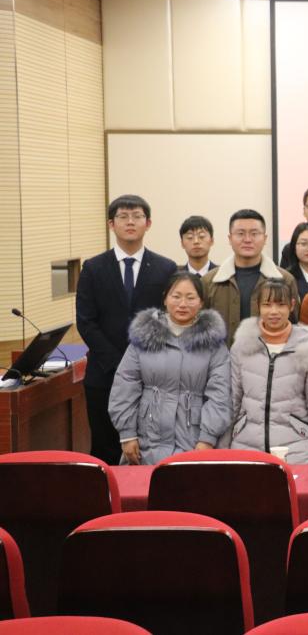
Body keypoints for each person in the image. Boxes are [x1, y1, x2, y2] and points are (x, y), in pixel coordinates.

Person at [76, 194, 178, 464]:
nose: (130, 222)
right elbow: (86, 321)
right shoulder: (93, 268)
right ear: (111, 224)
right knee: (106, 448)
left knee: (150, 450)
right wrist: (118, 362)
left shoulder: (166, 268)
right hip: (104, 374)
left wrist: (144, 361)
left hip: (153, 374)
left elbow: (170, 318)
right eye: (123, 217)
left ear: (148, 223)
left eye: (137, 216)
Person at [108, 272, 231, 465]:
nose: (183, 304)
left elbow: (220, 394)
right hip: (146, 441)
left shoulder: (213, 344)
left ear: (201, 302)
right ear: (165, 299)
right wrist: (127, 433)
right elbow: (125, 384)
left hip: (193, 442)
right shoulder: (144, 336)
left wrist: (207, 438)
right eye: (176, 296)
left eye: (190, 298)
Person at [225, 279, 308, 463]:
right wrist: (222, 454)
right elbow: (232, 403)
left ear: (292, 305)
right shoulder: (242, 346)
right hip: (246, 448)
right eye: (267, 305)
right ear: (258, 306)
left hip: (296, 452)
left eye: (281, 305)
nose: (274, 311)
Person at [203, 209, 300, 346]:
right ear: (230, 239)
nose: (247, 240)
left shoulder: (285, 279)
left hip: (270, 356)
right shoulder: (209, 281)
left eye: (254, 234)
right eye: (240, 234)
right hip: (221, 357)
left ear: (265, 238)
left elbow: (294, 327)